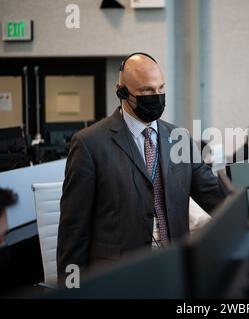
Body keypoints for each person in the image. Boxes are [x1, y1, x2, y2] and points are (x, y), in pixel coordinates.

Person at [57, 53, 226, 282]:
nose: (157, 97)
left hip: (174, 268)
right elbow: (73, 229)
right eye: (147, 91)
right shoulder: (89, 144)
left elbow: (216, 196)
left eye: (161, 88)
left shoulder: (179, 138)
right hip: (119, 278)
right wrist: (72, 290)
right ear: (122, 91)